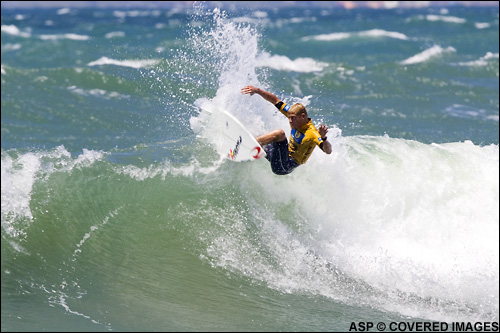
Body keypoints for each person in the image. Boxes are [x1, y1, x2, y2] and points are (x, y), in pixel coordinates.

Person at [241, 85, 332, 175]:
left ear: (303, 116)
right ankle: (245, 148)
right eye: (289, 117)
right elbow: (275, 100)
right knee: (259, 135)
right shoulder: (292, 114)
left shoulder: (312, 133)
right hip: (281, 154)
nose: (290, 121)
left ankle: (245, 143)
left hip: (285, 166)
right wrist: (258, 90)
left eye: (293, 118)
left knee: (279, 134)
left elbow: (328, 151)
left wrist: (324, 138)